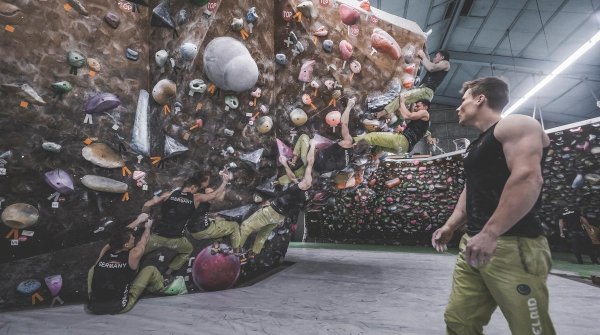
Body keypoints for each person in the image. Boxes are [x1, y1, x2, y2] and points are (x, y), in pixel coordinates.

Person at [431, 77, 555, 334]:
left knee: (531, 329)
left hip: (511, 243)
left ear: (480, 98)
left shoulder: (516, 124)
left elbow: (528, 177)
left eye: (463, 100)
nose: (458, 107)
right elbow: (473, 188)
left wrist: (490, 233)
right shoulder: (477, 145)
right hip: (473, 243)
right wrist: (451, 225)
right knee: (459, 322)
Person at [234, 139, 317, 260]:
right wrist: (284, 164)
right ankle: (254, 253)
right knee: (263, 233)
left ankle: (235, 253)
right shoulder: (306, 191)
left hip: (273, 211)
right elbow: (293, 178)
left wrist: (313, 146)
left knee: (246, 226)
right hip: (279, 216)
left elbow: (310, 162)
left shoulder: (306, 183)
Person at [141, 172, 232, 281]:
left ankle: (132, 270)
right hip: (176, 239)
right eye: (195, 189)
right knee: (188, 250)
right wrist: (225, 182)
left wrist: (146, 217)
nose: (196, 191)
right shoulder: (196, 198)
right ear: (192, 187)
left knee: (139, 251)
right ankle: (168, 273)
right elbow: (215, 195)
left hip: (157, 237)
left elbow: (147, 204)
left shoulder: (168, 194)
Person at [87, 214, 185, 314]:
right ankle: (163, 288)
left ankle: (92, 295)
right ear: (125, 245)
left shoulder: (105, 251)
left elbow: (117, 236)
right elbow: (143, 241)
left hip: (94, 308)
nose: (134, 237)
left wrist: (138, 221)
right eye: (132, 238)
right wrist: (148, 227)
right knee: (150, 270)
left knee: (93, 269)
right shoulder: (134, 254)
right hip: (119, 307)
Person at [375, 50, 450, 122]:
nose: (434, 58)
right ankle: (394, 123)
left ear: (442, 57)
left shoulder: (446, 63)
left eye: (436, 56)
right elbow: (428, 61)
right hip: (425, 91)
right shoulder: (436, 67)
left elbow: (431, 67)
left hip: (426, 91)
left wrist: (423, 56)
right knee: (408, 110)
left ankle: (379, 114)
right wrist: (424, 50)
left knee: (402, 97)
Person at [354, 97, 431, 154]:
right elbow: (404, 114)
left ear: (425, 107)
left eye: (418, 106)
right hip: (403, 150)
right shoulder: (421, 122)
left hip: (402, 141)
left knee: (372, 137)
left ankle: (351, 141)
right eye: (415, 106)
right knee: (379, 147)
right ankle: (357, 151)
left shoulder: (425, 113)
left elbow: (408, 115)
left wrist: (402, 102)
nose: (415, 108)